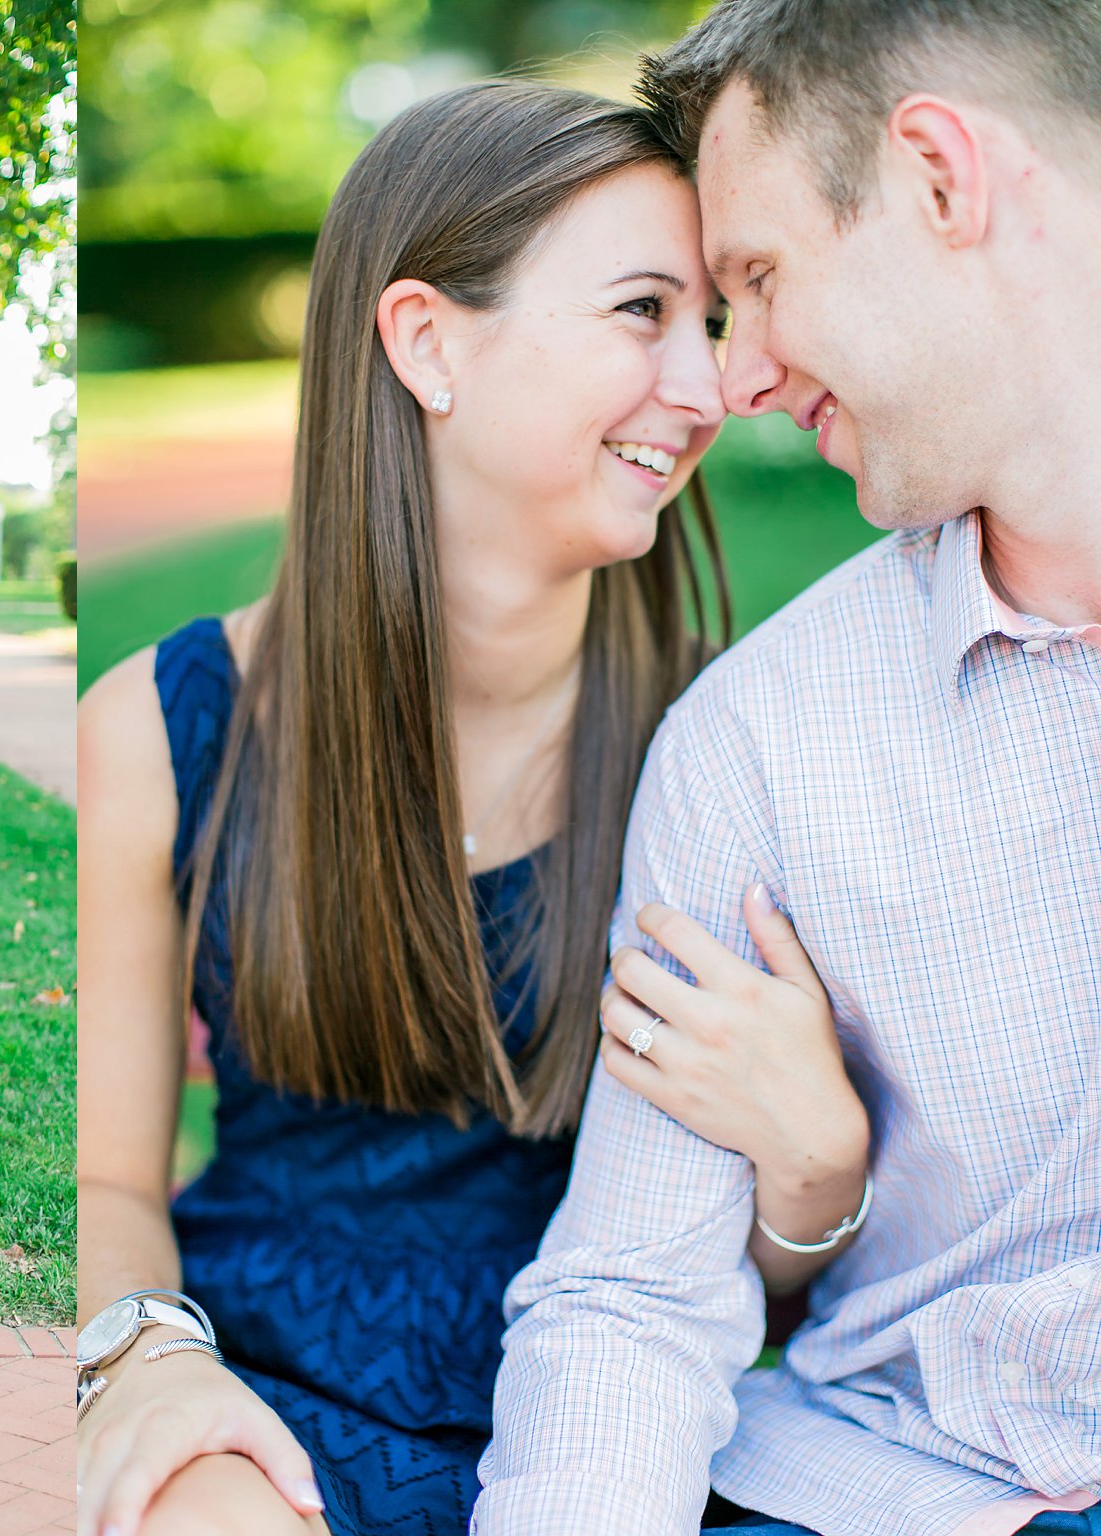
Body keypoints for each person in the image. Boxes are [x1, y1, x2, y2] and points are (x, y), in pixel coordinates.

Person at [75, 80, 869, 1536]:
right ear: (427, 342)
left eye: (708, 324)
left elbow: (755, 1288)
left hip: (636, 1435)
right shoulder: (160, 727)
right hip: (265, 1402)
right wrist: (144, 1365)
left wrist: (818, 1171)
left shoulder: (730, 744)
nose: (706, 390)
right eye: (643, 311)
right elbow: (107, 1171)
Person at [477, 3, 1101, 1533]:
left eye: (754, 281)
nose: (732, 381)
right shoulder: (761, 741)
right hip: (919, 1483)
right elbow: (633, 1295)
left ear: (944, 180)